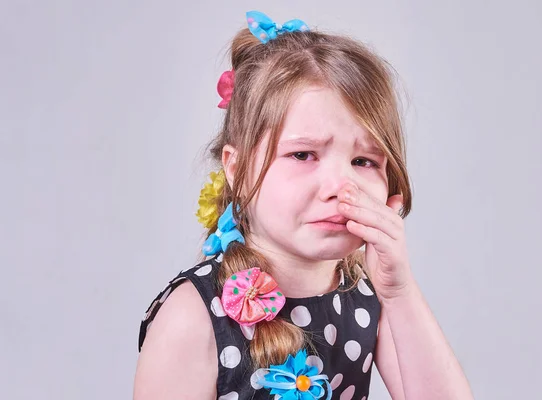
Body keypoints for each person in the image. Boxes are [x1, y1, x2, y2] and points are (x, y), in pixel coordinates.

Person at [133, 10, 473, 400]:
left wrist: (399, 293)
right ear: (238, 168)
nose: (339, 186)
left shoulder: (367, 297)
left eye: (364, 161)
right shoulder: (194, 317)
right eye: (303, 155)